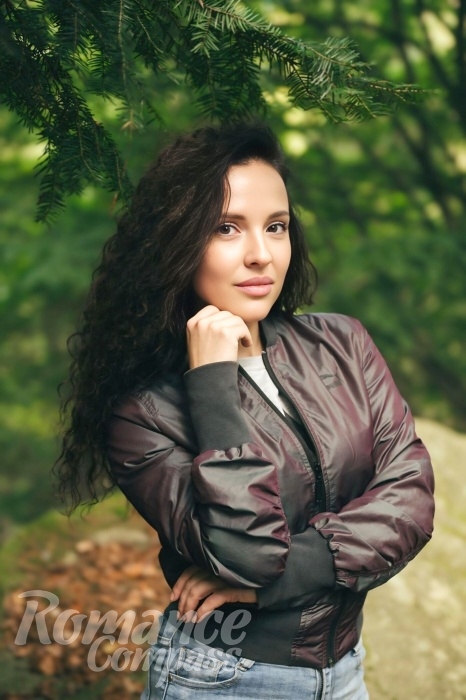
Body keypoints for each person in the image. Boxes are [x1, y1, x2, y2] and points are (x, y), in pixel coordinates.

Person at [55, 122, 435, 699]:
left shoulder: (342, 342)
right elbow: (248, 556)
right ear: (178, 242)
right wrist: (211, 383)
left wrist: (294, 570)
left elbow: (411, 500)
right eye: (226, 228)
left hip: (345, 670)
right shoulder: (141, 413)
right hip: (222, 678)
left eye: (276, 227)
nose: (261, 254)